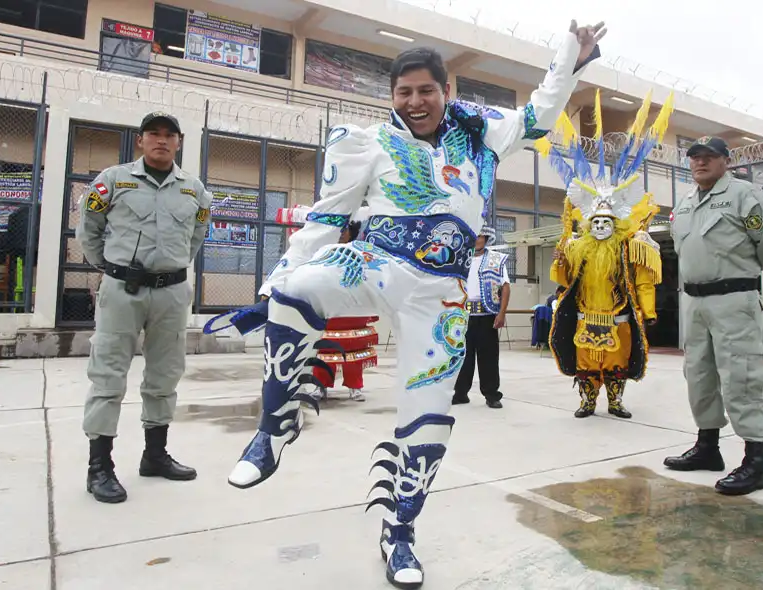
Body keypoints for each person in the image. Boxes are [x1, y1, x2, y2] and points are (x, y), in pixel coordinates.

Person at [202, 20, 606, 589]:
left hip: (443, 294)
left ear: (445, 91)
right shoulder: (364, 141)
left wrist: (572, 52)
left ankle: (400, 533)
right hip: (376, 262)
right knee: (294, 290)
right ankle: (274, 427)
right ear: (391, 96)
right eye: (403, 92)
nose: (415, 102)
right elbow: (327, 216)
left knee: (429, 422)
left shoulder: (484, 133)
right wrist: (272, 285)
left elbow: (540, 112)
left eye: (426, 90)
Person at [76, 111, 212, 504]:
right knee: (108, 374)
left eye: (170, 135)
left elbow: (197, 235)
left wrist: (170, 267)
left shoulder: (194, 190)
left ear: (179, 142)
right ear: (140, 140)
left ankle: (155, 455)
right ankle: (99, 466)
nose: (162, 140)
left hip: (171, 292)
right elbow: (89, 231)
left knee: (165, 373)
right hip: (123, 289)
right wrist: (112, 268)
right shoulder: (113, 181)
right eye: (154, 133)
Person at [663, 136, 763, 496]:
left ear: (725, 161)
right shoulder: (686, 203)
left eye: (709, 157)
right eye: (695, 157)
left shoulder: (743, 195)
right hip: (694, 301)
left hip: (734, 299)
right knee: (699, 375)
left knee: (741, 376)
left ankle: (755, 462)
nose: (700, 163)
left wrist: (737, 273)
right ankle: (707, 448)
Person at [545, 90, 669, 421]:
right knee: (586, 363)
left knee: (617, 362)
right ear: (589, 223)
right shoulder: (576, 247)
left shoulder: (630, 247)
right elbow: (563, 278)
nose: (600, 225)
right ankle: (587, 401)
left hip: (619, 318)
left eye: (606, 222)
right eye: (595, 221)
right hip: (586, 315)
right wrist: (559, 258)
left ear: (616, 224)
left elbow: (643, 281)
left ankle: (615, 401)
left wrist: (649, 310)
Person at [311, 216, 379, 402]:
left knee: (354, 348)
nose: (341, 233)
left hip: (353, 307)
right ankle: (320, 385)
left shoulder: (359, 252)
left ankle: (355, 386)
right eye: (338, 229)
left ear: (352, 230)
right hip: (329, 307)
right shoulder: (323, 251)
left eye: (345, 229)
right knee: (326, 348)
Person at [452, 226, 509, 409]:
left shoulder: (495, 259)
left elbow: (505, 287)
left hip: (487, 315)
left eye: (480, 236)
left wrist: (501, 313)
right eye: (473, 236)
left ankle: (491, 394)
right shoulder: (460, 259)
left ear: (486, 238)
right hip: (463, 315)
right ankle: (460, 393)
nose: (477, 239)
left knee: (489, 357)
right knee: (462, 356)